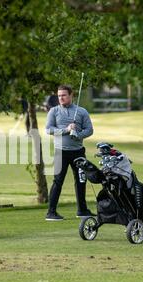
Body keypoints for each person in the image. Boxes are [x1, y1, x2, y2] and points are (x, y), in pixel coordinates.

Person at [45, 84, 94, 221]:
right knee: (58, 181)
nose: (61, 98)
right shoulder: (54, 111)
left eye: (64, 95)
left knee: (81, 180)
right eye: (59, 96)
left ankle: (82, 210)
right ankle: (51, 212)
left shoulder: (82, 111)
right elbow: (48, 130)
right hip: (61, 152)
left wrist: (77, 134)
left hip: (78, 152)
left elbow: (89, 130)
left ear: (71, 95)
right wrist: (66, 130)